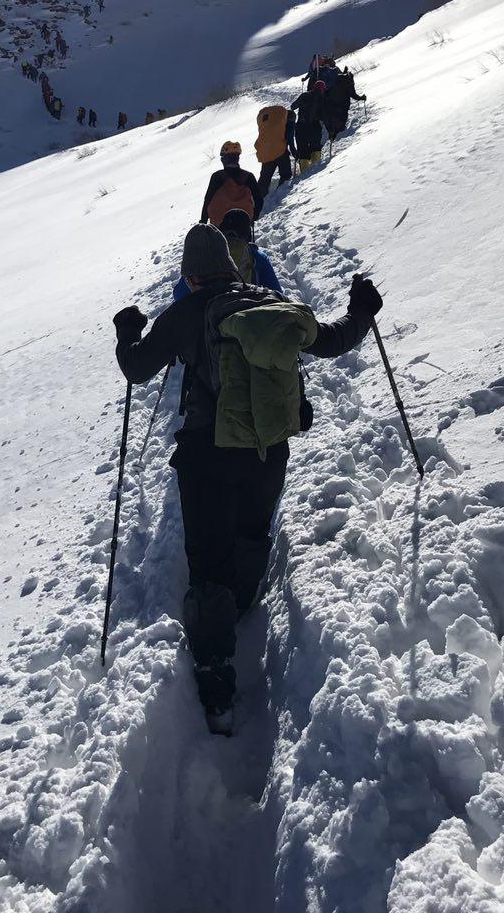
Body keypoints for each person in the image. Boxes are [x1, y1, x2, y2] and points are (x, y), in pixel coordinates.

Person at [113, 226, 383, 730]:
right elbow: (333, 339)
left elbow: (136, 369)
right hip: (266, 451)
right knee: (251, 534)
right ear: (230, 263)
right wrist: (362, 310)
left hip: (207, 457)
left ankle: (216, 684)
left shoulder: (188, 312)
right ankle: (238, 608)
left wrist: (128, 331)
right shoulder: (270, 304)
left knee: (208, 563)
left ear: (191, 275)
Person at [172, 210, 281, 300]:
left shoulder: (205, 254)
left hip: (204, 312)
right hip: (249, 309)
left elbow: (179, 294)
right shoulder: (257, 256)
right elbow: (277, 292)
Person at [200, 142, 262, 227]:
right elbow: (259, 199)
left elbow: (208, 199)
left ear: (225, 159)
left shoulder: (217, 176)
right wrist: (253, 217)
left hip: (219, 223)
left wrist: (203, 220)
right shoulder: (248, 176)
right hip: (244, 222)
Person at [254, 106, 292, 194]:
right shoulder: (285, 121)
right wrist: (293, 151)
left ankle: (258, 198)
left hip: (265, 152)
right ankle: (281, 195)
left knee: (264, 178)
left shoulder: (266, 120)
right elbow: (289, 136)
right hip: (280, 151)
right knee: (285, 174)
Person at [321, 69, 366, 141]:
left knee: (334, 122)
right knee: (341, 123)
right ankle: (338, 138)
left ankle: (332, 135)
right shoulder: (349, 82)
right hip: (343, 106)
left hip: (332, 105)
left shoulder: (336, 79)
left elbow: (328, 91)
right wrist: (361, 98)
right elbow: (352, 94)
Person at [290, 84, 326, 170]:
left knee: (303, 150)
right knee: (315, 147)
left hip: (301, 127)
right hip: (315, 127)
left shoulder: (304, 95)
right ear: (322, 90)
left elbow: (293, 106)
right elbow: (324, 115)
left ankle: (304, 172)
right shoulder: (322, 98)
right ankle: (315, 169)